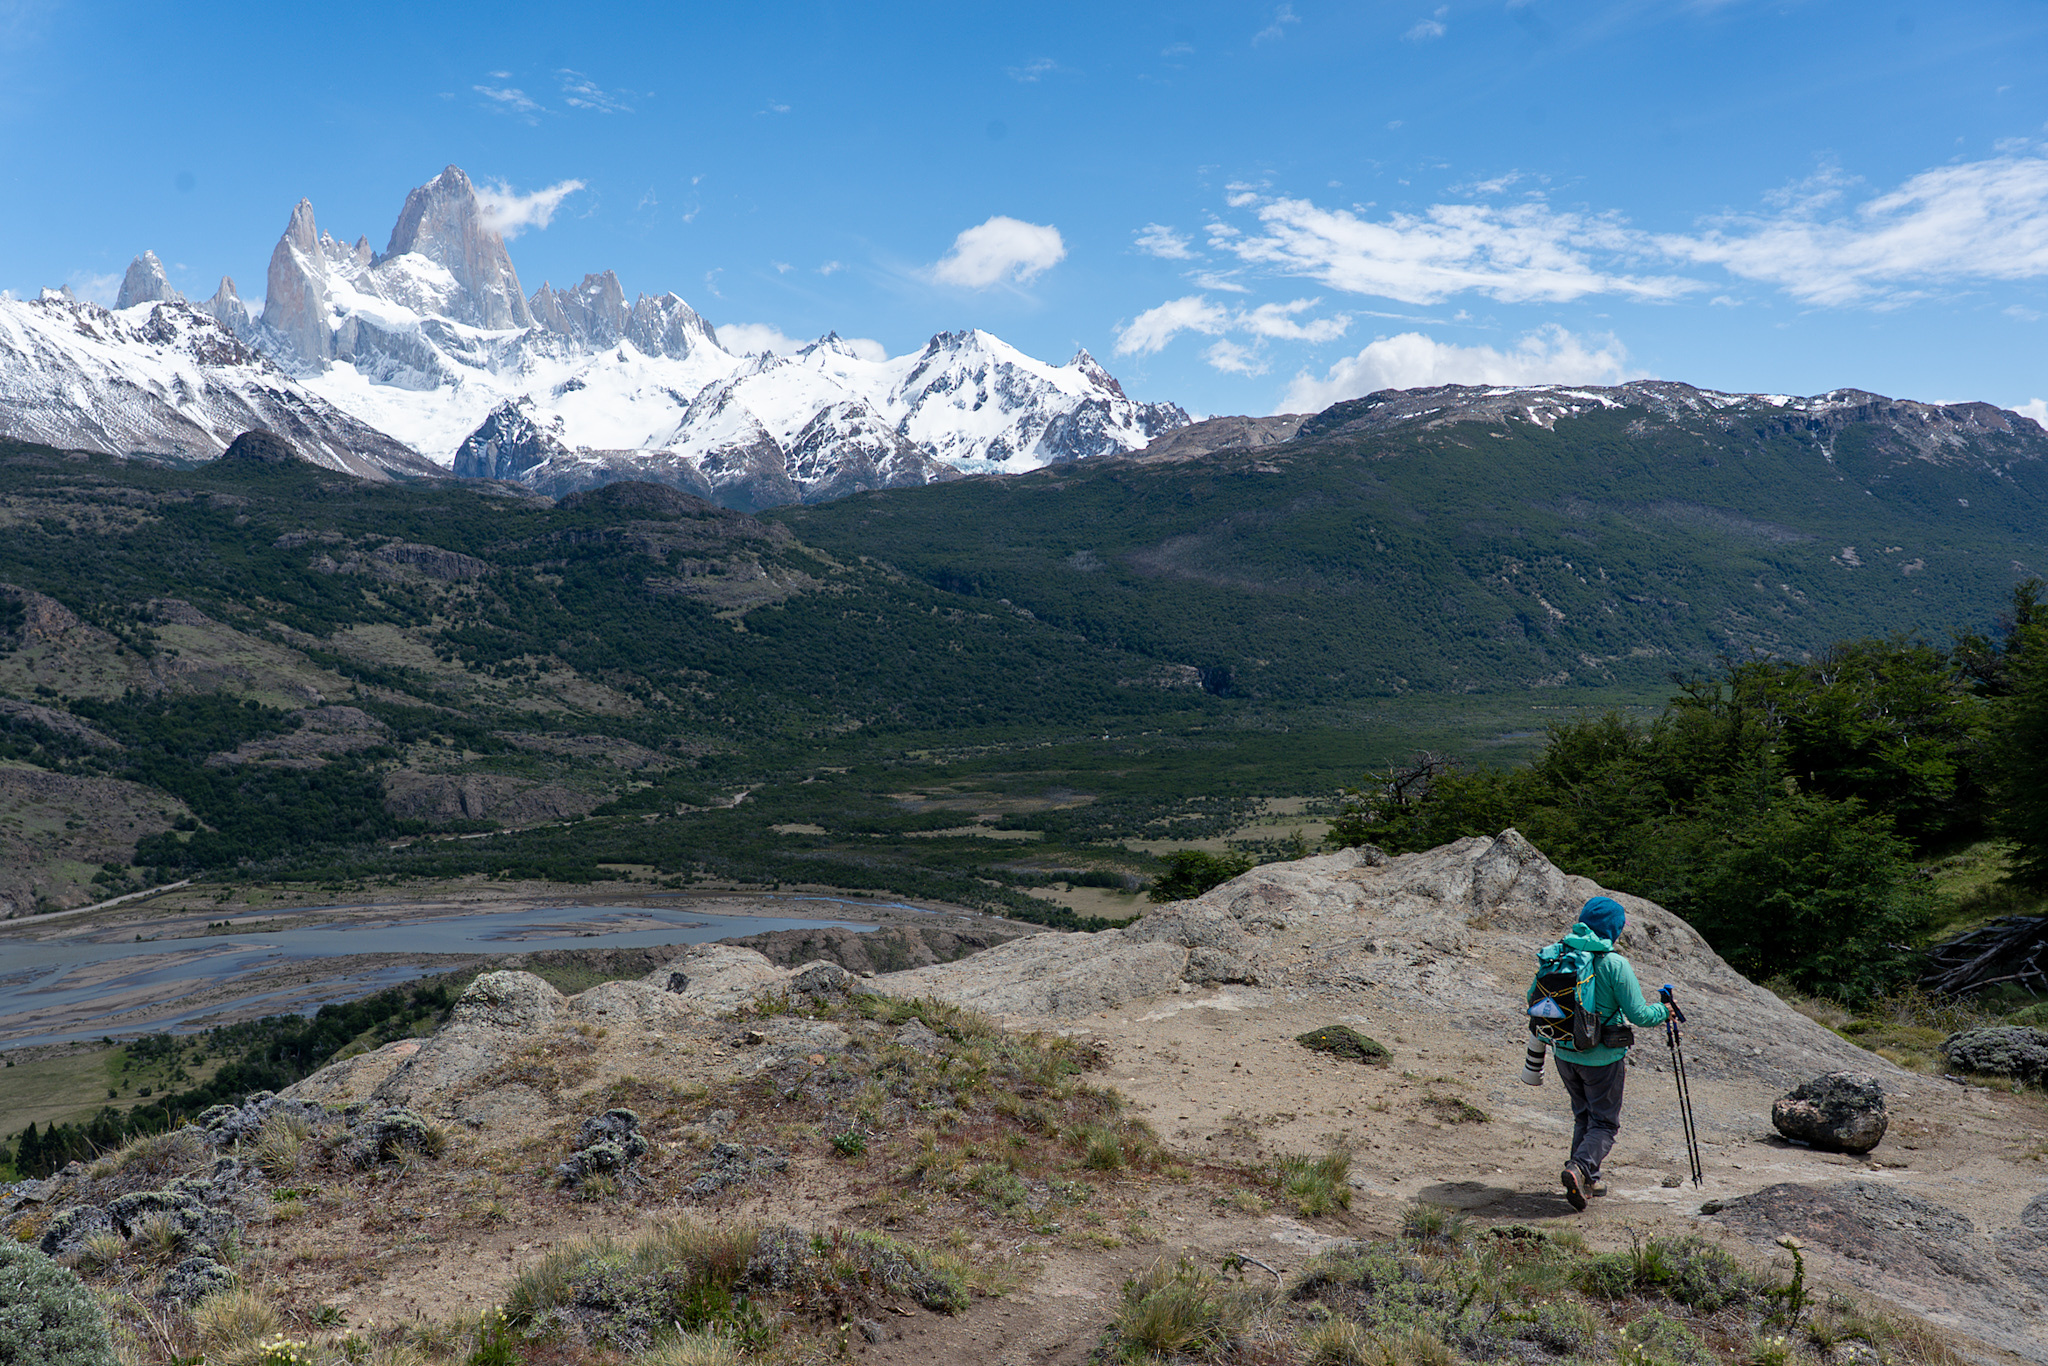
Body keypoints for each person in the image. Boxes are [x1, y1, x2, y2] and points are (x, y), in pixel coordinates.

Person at [1543, 894, 1670, 1211]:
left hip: (1563, 1052)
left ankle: (1590, 1179)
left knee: (1583, 1115)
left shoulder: (1562, 954)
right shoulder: (1614, 964)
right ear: (1613, 929)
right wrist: (1665, 1010)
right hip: (1602, 1059)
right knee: (1604, 1124)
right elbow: (1640, 1015)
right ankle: (1580, 1168)